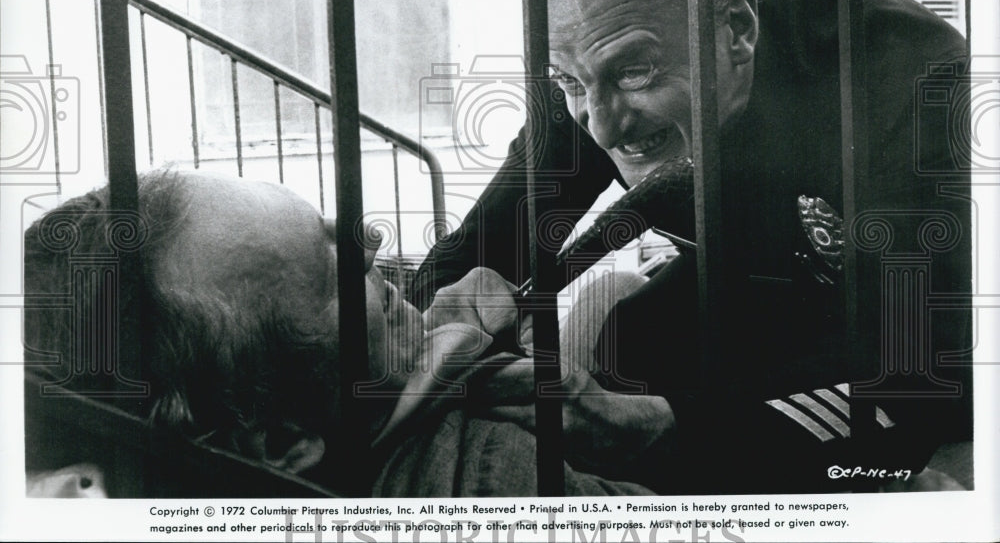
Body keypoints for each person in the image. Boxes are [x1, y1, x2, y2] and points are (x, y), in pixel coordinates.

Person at [409, 0, 973, 493]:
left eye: (636, 73)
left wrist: (665, 429)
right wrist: (458, 299)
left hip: (888, 340)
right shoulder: (593, 67)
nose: (600, 127)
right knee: (632, 337)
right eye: (568, 82)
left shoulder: (910, 76)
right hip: (735, 309)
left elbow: (929, 368)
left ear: (737, 28)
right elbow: (463, 261)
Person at [23, 169, 672, 497]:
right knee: (616, 294)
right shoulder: (484, 476)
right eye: (329, 274)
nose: (370, 242)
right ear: (283, 441)